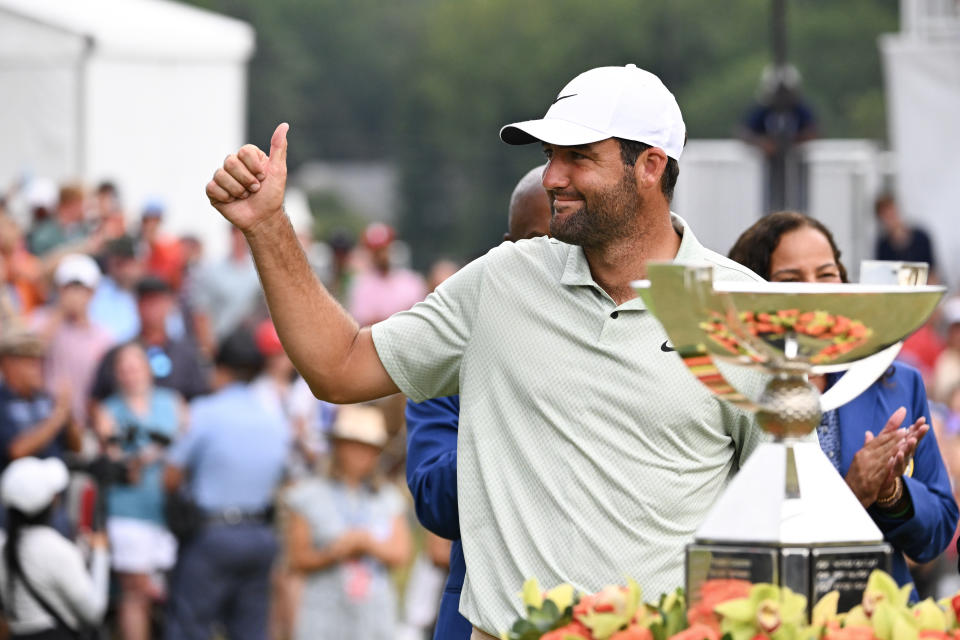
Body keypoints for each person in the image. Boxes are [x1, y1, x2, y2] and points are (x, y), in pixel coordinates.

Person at [205, 63, 765, 636]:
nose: (551, 177)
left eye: (579, 157)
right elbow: (339, 367)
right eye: (551, 155)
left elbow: (781, 509)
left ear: (650, 166)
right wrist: (268, 226)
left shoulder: (742, 309)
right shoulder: (503, 279)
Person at [728, 211, 958, 593]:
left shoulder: (895, 381)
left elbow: (934, 536)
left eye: (826, 274)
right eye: (791, 279)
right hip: (771, 617)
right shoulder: (734, 390)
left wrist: (893, 494)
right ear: (755, 291)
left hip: (880, 619)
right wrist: (851, 492)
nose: (815, 289)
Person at [405, 163, 551, 640]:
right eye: (537, 242)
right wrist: (517, 420)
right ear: (506, 247)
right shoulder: (457, 349)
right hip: (482, 618)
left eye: (571, 247)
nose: (554, 259)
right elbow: (435, 501)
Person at [163, 328, 289, 640]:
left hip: (213, 533)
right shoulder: (274, 417)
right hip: (260, 533)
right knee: (251, 630)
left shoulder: (205, 412)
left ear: (220, 369)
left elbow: (171, 477)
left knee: (190, 627)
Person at [285, 404, 411, 640]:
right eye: (353, 446)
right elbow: (296, 558)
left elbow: (401, 554)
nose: (360, 455)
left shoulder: (388, 499)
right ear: (338, 447)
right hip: (323, 612)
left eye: (368, 448)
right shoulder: (308, 496)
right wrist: (334, 552)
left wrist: (366, 544)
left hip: (374, 615)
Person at [93, 342, 184, 640]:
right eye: (123, 369)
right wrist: (149, 455)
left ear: (147, 369)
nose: (129, 374)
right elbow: (114, 458)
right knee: (135, 592)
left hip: (167, 511)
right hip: (128, 509)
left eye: (134, 366)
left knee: (166, 591)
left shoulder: (172, 401)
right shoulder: (109, 410)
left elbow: (188, 444)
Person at [0, 456, 109, 639]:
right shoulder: (55, 549)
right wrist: (100, 554)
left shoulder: (4, 546)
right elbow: (94, 612)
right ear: (53, 501)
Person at [91, 276, 209, 403]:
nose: (151, 309)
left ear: (169, 304)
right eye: (145, 302)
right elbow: (98, 399)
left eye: (156, 302)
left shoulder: (186, 354)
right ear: (136, 305)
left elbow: (200, 398)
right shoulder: (118, 354)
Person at [31, 253, 115, 424]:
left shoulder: (103, 336)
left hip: (84, 423)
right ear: (59, 290)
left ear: (92, 293)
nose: (75, 294)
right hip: (42, 420)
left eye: (81, 289)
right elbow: (31, 352)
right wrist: (60, 312)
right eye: (69, 287)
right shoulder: (39, 319)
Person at [347, 223, 427, 327]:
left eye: (384, 248)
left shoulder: (412, 281)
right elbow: (364, 322)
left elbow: (420, 317)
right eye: (376, 250)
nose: (381, 255)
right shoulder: (360, 284)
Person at [874, 194, 938, 280]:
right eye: (885, 216)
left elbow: (933, 274)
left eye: (891, 213)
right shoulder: (883, 246)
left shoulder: (921, 238)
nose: (890, 219)